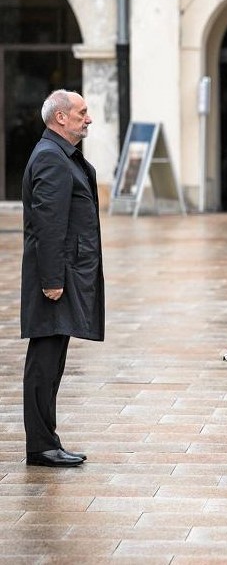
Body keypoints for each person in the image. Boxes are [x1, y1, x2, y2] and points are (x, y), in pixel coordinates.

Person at [20, 89, 104, 467]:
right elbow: (48, 226)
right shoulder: (52, 158)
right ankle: (41, 445)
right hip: (54, 278)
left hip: (61, 273)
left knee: (52, 361)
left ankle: (46, 440)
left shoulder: (60, 155)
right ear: (61, 119)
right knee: (44, 361)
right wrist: (52, 280)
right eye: (82, 112)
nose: (88, 118)